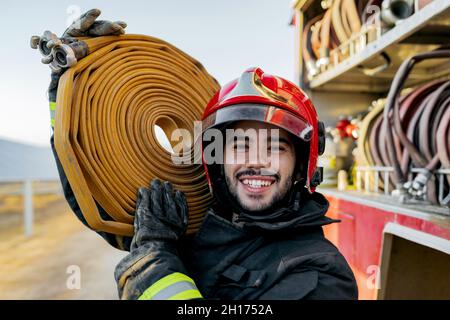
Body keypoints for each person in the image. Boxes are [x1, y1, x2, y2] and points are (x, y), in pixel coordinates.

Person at [47, 9, 358, 300]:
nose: (256, 161)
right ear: (217, 159)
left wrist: (155, 269)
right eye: (240, 144)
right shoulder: (196, 222)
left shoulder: (321, 274)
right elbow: (103, 201)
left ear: (303, 165)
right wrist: (70, 92)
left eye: (276, 147)